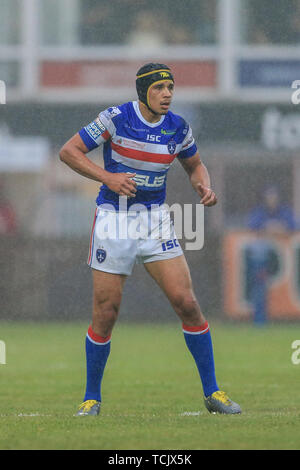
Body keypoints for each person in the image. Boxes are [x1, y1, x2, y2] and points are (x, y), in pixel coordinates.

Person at [59, 63, 241, 416]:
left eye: (171, 88)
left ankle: (213, 393)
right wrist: (107, 178)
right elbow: (69, 152)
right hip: (114, 218)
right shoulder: (116, 118)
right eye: (159, 88)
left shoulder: (179, 127)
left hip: (155, 220)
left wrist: (203, 185)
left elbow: (194, 164)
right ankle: (91, 398)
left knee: (186, 303)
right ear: (144, 92)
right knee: (106, 312)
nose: (167, 94)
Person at [246, 186, 296, 325]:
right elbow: (253, 226)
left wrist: (275, 228)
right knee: (260, 287)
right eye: (269, 197)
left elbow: (294, 226)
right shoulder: (260, 212)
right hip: (262, 257)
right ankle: (260, 321)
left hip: (284, 256)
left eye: (274, 197)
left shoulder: (284, 211)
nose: (272, 200)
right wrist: (271, 228)